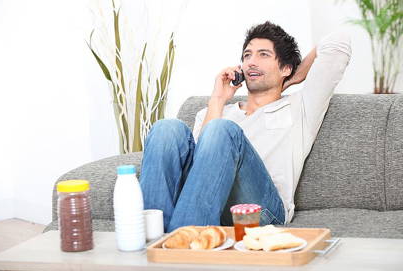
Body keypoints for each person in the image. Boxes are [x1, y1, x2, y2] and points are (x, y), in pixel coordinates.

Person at [140, 21, 351, 232]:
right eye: (247, 55)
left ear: (285, 68)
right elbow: (201, 170)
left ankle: (186, 243)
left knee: (224, 131)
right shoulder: (214, 112)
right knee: (166, 129)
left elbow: (338, 41)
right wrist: (218, 99)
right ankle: (151, 240)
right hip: (212, 202)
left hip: (262, 210)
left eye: (263, 55)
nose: (251, 62)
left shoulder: (300, 107)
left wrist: (291, 79)